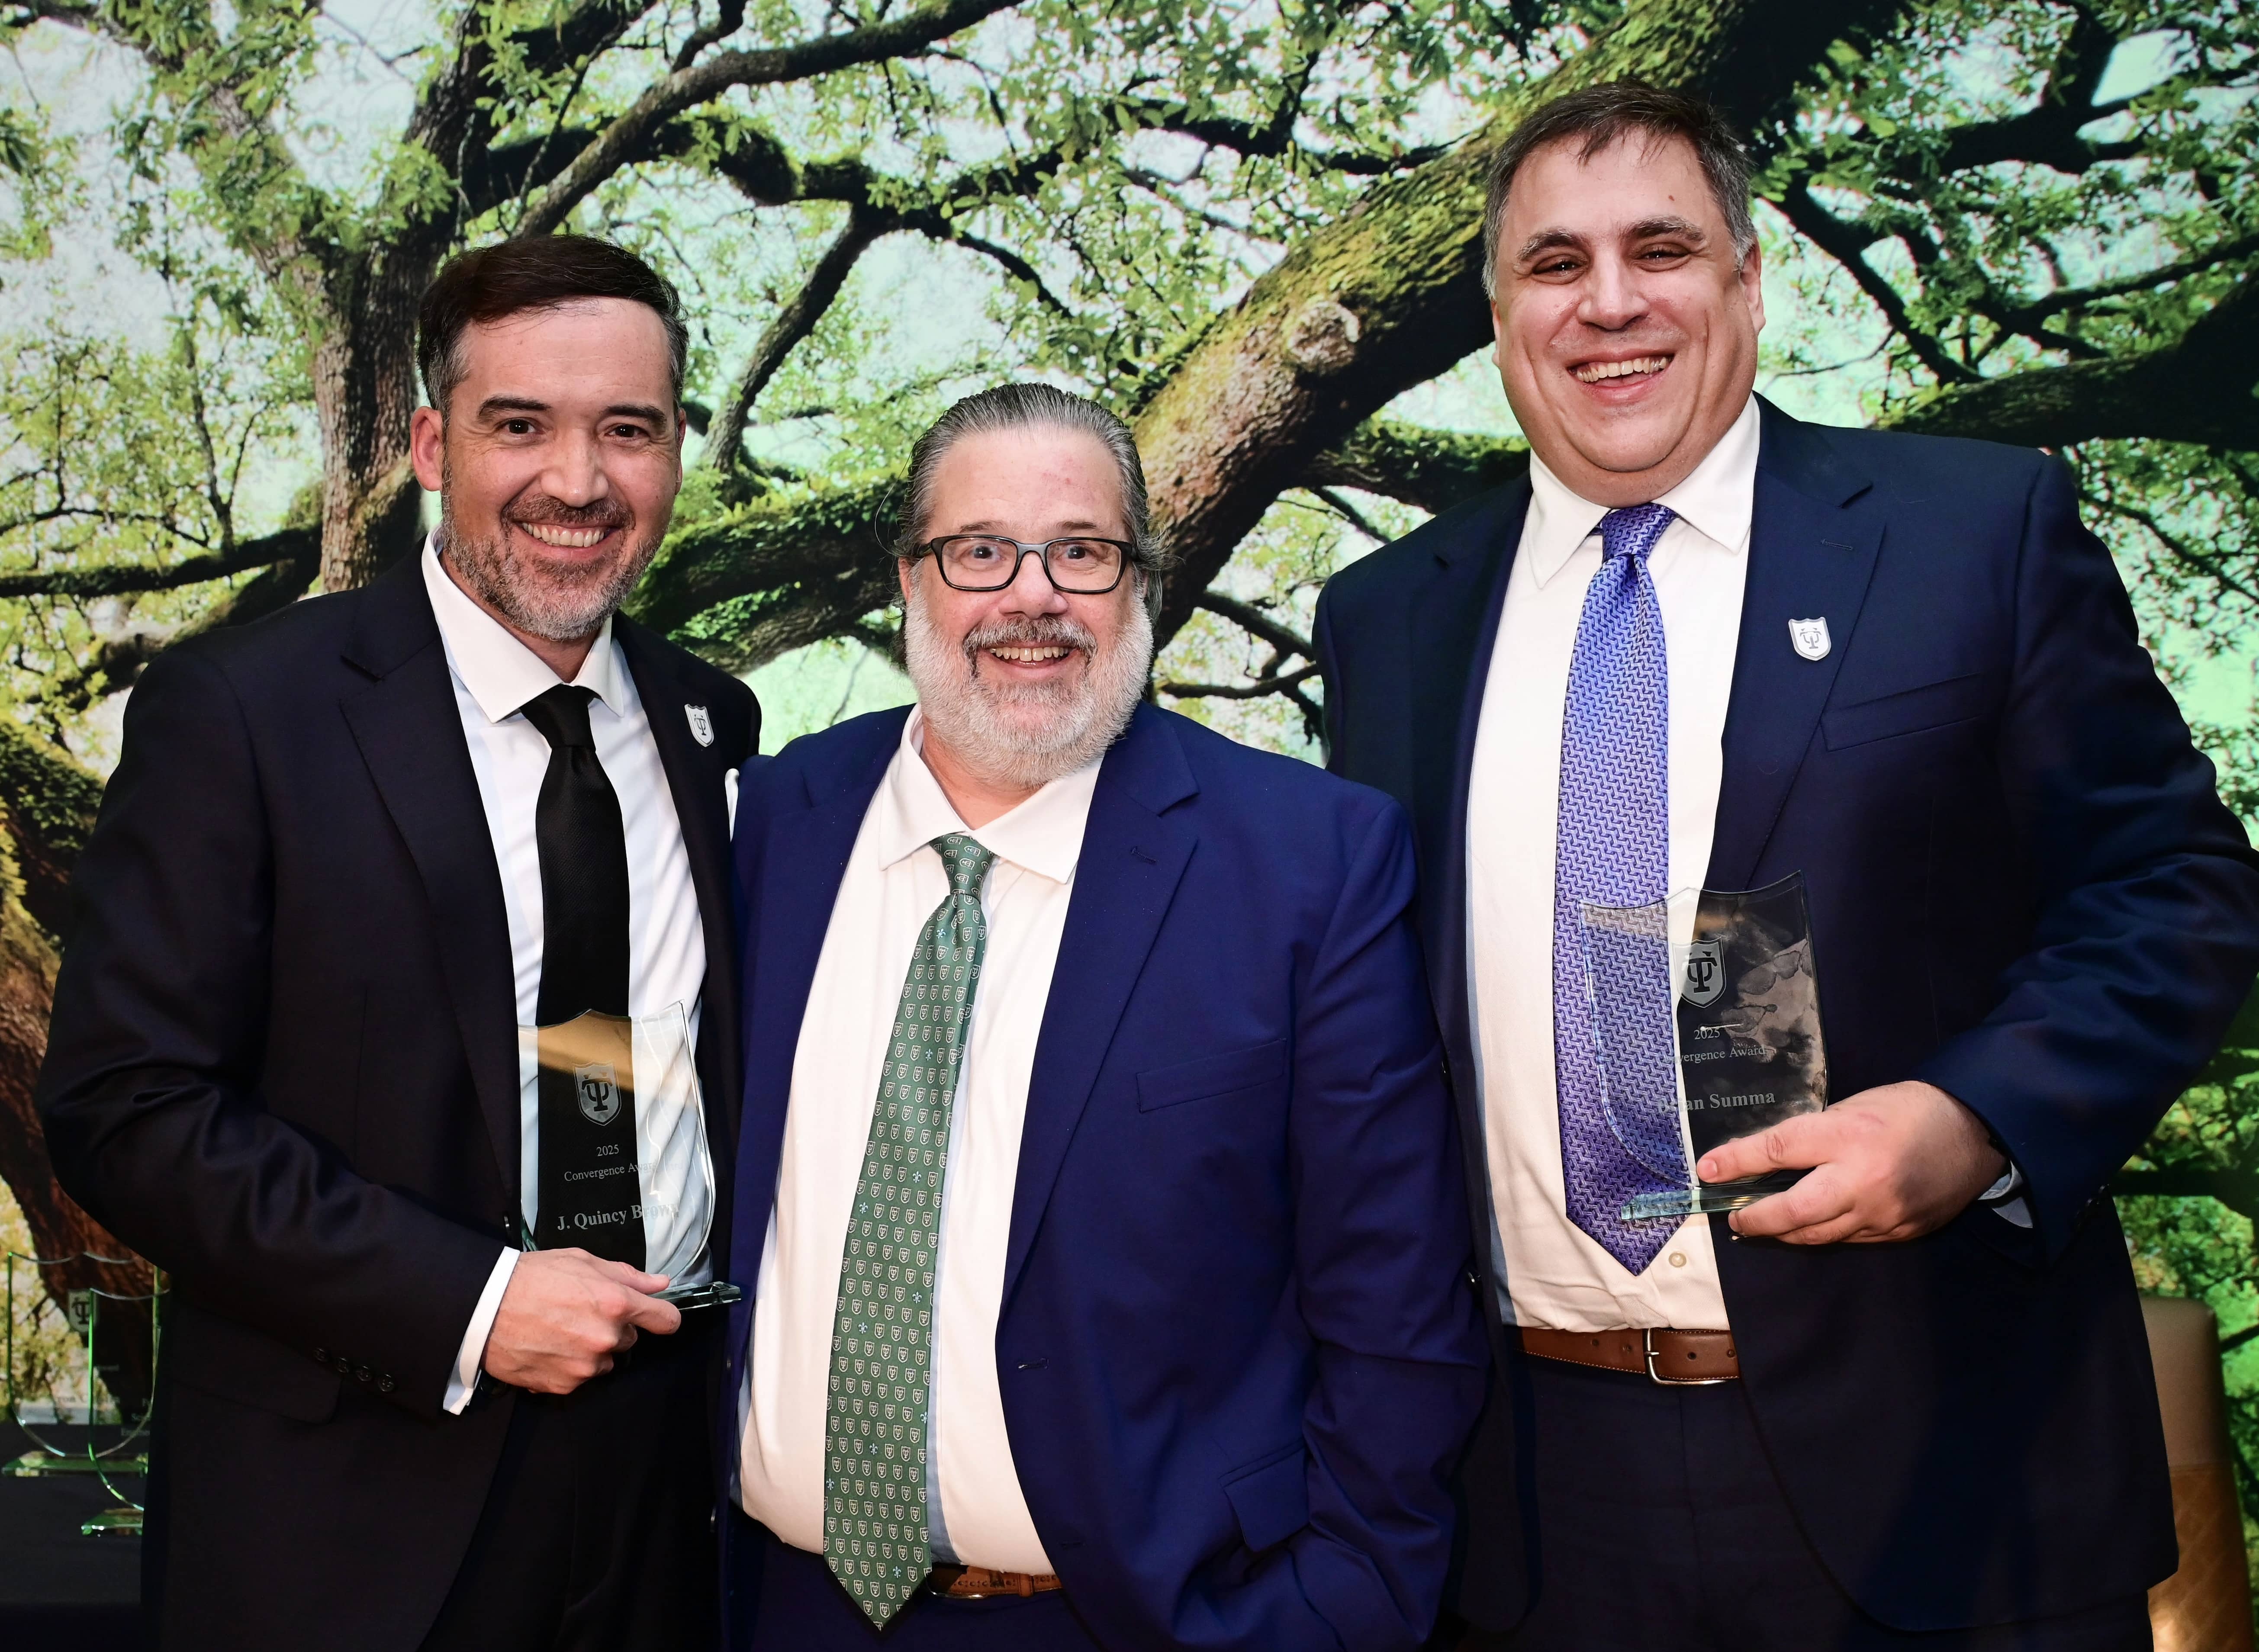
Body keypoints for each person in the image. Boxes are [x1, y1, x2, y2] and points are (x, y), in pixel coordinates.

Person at [1315, 83, 2259, 1650]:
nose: (1608, 303)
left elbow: (2175, 885)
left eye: (1660, 248)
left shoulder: (1973, 531)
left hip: (1944, 1466)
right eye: (1553, 264)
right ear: (1499, 317)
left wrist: (1976, 1121)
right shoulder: (1390, 619)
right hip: (1534, 1499)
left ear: (1747, 282)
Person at [36, 235, 757, 1651]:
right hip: (349, 1510)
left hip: (669, 1495)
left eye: (628, 428)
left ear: (677, 449)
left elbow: (603, 1029)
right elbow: (124, 1106)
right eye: (519, 425)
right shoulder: (243, 712)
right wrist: (475, 1301)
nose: (577, 479)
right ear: (432, 442)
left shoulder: (705, 722)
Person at [721, 382, 1485, 1651]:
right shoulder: (776, 822)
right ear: (910, 579)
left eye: (1080, 551)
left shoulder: (1307, 862)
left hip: (1152, 1621)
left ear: (1140, 584)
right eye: (979, 552)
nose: (1031, 596)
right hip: (782, 1609)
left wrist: (1334, 1612)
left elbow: (1392, 1298)